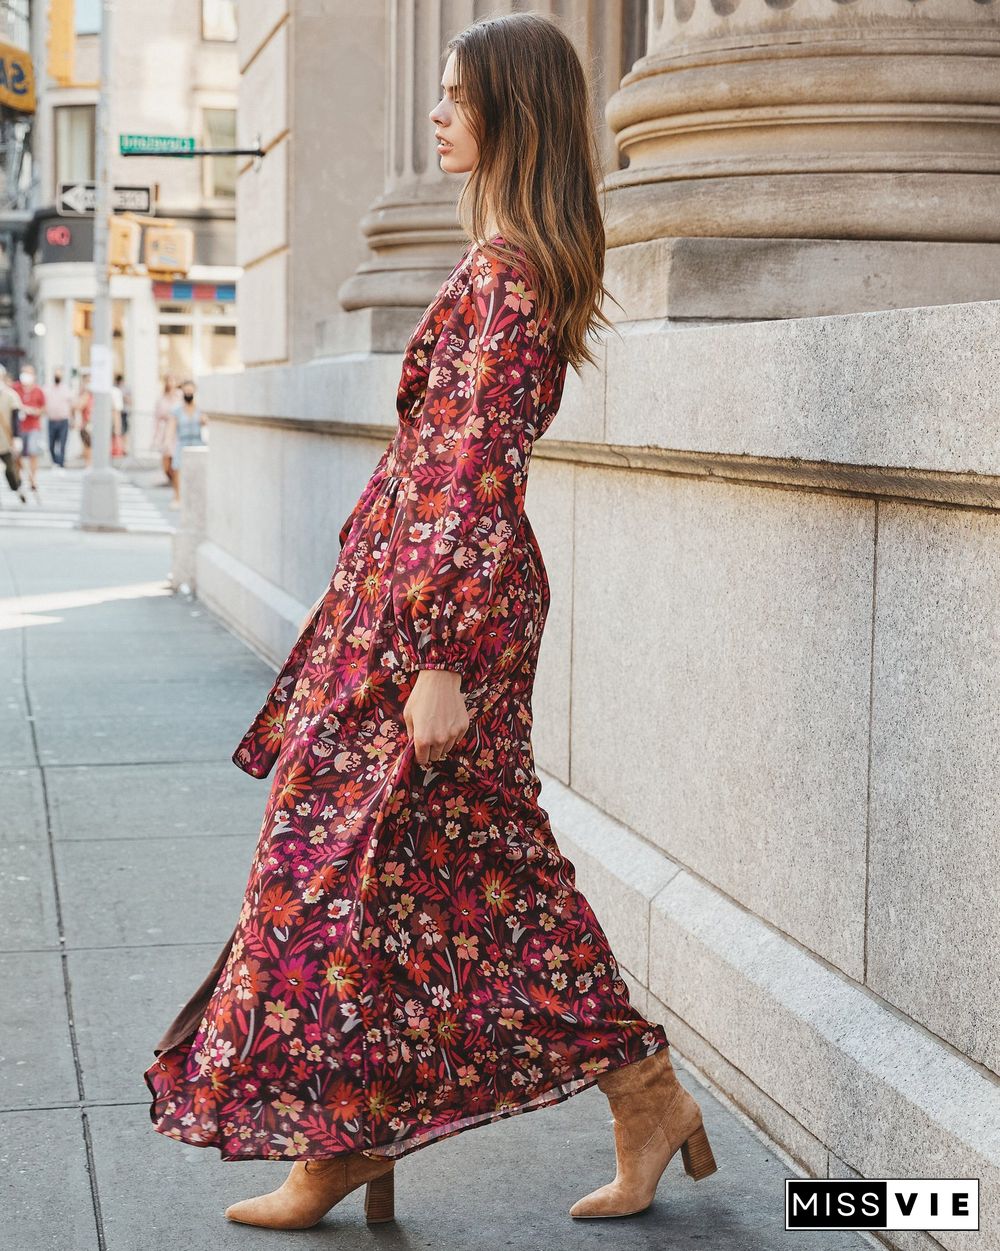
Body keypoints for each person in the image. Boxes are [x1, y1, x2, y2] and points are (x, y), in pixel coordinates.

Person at [143, 11, 718, 1232]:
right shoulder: (503, 265)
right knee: (448, 871)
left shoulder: (508, 281)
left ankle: (368, 1136)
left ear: (509, 112)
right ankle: (605, 1099)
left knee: (323, 870)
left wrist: (440, 656)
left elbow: (472, 475)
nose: (437, 114)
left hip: (443, 621)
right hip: (418, 610)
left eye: (455, 98)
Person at [164, 379, 205, 508]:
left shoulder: (200, 409)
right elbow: (171, 427)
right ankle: (177, 497)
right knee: (177, 468)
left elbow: (208, 424)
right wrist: (167, 442)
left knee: (199, 472)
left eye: (190, 391)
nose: (188, 393)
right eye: (186, 391)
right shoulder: (177, 410)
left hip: (198, 442)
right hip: (183, 442)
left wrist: (204, 421)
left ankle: (197, 498)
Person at [12, 363, 45, 499]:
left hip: (33, 426)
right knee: (17, 454)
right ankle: (20, 478)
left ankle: (33, 478)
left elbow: (43, 407)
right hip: (18, 427)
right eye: (24, 372)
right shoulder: (15, 388)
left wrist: (35, 411)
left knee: (32, 451)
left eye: (28, 373)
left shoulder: (38, 391)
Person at [0, 365, 27, 504]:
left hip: (6, 439)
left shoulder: (10, 395)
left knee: (11, 470)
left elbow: (16, 418)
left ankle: (18, 488)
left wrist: (17, 437)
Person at [152, 375, 179, 485]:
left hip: (177, 430)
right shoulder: (161, 397)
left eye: (172, 380)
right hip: (165, 430)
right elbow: (156, 417)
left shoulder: (179, 396)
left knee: (175, 455)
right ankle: (170, 477)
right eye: (169, 381)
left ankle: (175, 480)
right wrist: (155, 435)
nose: (170, 383)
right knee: (166, 455)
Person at [44, 368, 73, 470]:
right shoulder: (47, 388)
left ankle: (61, 463)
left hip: (63, 420)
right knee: (51, 444)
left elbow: (71, 405)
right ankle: (55, 461)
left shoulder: (66, 389)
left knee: (62, 443)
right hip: (52, 420)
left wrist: (73, 419)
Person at [73, 372, 93, 467]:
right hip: (87, 423)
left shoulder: (94, 395)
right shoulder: (85, 395)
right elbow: (78, 407)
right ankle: (88, 465)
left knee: (90, 446)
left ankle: (90, 465)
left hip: (93, 423)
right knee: (88, 445)